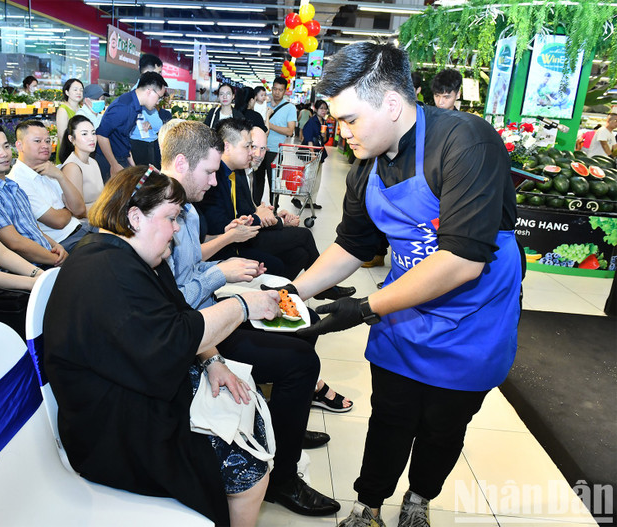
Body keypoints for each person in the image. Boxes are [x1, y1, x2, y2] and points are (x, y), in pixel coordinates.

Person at [274, 42, 521, 527]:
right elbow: (351, 246)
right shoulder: (366, 166)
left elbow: (461, 261)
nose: (340, 133)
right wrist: (291, 295)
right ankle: (368, 506)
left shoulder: (467, 143)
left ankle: (420, 499)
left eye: (348, 120)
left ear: (390, 104)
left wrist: (366, 308)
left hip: (473, 319)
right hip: (405, 311)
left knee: (442, 427)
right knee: (390, 416)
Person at [44, 165, 281, 527]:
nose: (176, 229)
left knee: (246, 409)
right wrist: (243, 306)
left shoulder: (130, 256)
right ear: (135, 217)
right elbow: (171, 340)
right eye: (171, 218)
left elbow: (179, 315)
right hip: (111, 430)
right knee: (248, 465)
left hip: (131, 396)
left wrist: (212, 362)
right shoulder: (106, 270)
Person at [160, 120, 344, 516]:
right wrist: (223, 272)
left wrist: (223, 246)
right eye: (209, 172)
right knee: (301, 360)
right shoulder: (161, 214)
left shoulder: (184, 210)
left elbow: (190, 267)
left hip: (210, 310)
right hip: (199, 329)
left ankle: (282, 424)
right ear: (180, 163)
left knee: (301, 323)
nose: (214, 182)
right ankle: (283, 480)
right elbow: (174, 298)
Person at [199, 119, 356, 301]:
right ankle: (318, 288)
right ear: (227, 147)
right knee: (302, 236)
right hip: (230, 245)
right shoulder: (214, 177)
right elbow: (225, 227)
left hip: (243, 236)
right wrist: (274, 221)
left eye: (261, 148)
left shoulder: (238, 171)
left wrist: (272, 216)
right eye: (249, 146)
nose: (254, 153)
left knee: (300, 254)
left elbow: (247, 211)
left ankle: (281, 296)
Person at [0, 121, 68, 267]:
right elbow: (15, 243)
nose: (4, 153)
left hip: (46, 260)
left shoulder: (12, 185)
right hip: (26, 272)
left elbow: (33, 229)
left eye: (6, 146)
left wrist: (56, 246)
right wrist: (60, 261)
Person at [6, 120, 89, 252]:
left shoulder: (50, 169)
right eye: (37, 141)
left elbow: (79, 210)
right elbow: (58, 221)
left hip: (81, 228)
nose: (45, 146)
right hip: (63, 243)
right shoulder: (17, 181)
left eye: (48, 141)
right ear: (19, 145)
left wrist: (60, 176)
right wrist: (68, 209)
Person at [95, 71, 168, 181]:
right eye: (159, 97)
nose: (158, 102)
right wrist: (113, 164)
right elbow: (101, 135)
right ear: (150, 91)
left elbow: (123, 136)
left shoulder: (135, 105)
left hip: (121, 158)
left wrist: (131, 163)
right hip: (110, 161)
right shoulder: (123, 107)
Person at [252, 77, 297, 206]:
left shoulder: (290, 108)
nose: (277, 92)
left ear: (285, 91)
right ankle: (256, 208)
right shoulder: (263, 104)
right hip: (259, 149)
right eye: (275, 89)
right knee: (257, 181)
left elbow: (289, 131)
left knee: (274, 182)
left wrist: (269, 125)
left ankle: (274, 209)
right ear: (271, 89)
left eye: (280, 90)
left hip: (276, 150)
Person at [58, 114, 104, 217]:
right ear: (71, 139)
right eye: (84, 134)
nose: (91, 138)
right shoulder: (72, 167)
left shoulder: (93, 162)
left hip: (99, 216)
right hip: (86, 224)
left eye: (93, 133)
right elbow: (78, 211)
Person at [128, 54, 166, 168]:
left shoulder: (135, 89)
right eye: (159, 72)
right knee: (147, 181)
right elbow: (157, 125)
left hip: (139, 143)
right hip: (143, 145)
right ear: (152, 69)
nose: (160, 76)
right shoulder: (147, 92)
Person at [297, 99, 331, 210]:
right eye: (321, 108)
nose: (324, 111)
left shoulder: (324, 123)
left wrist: (324, 134)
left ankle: (311, 200)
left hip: (319, 153)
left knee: (316, 178)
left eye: (325, 108)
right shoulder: (312, 122)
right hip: (310, 153)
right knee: (307, 177)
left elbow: (325, 140)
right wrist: (312, 154)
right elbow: (309, 138)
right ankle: (298, 198)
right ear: (315, 109)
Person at [56, 78, 84, 163]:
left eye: (81, 90)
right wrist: (68, 157)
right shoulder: (63, 110)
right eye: (75, 90)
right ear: (67, 92)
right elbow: (62, 136)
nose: (79, 92)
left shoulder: (81, 109)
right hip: (67, 153)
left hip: (80, 152)